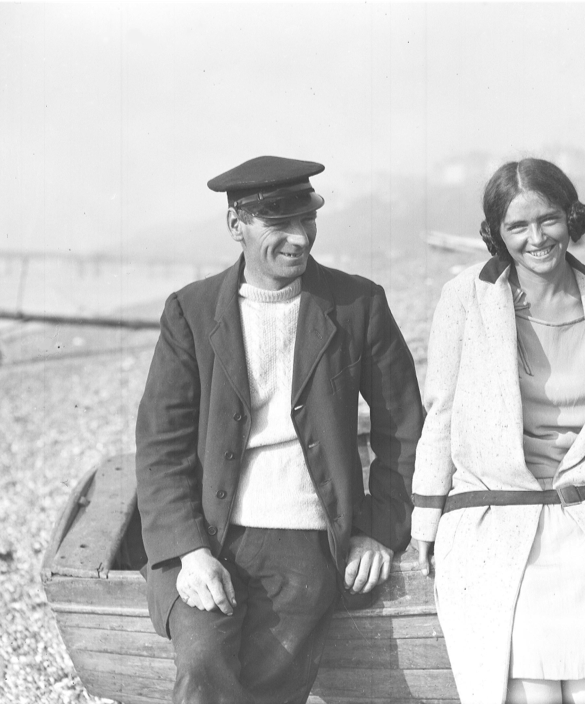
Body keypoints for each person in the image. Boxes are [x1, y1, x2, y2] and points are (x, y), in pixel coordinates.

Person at [135, 155, 424, 704]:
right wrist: (190, 552)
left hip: (306, 540)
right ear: (235, 226)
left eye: (307, 220)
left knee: (270, 686)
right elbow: (159, 447)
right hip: (208, 538)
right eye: (279, 224)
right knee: (201, 661)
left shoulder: (358, 304)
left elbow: (405, 428)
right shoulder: (190, 313)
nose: (299, 238)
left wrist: (381, 530)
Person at [411, 158, 585, 704]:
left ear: (570, 218)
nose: (537, 238)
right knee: (523, 686)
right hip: (498, 516)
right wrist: (425, 517)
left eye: (549, 220)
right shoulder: (465, 299)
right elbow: (440, 412)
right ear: (498, 234)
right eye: (518, 226)